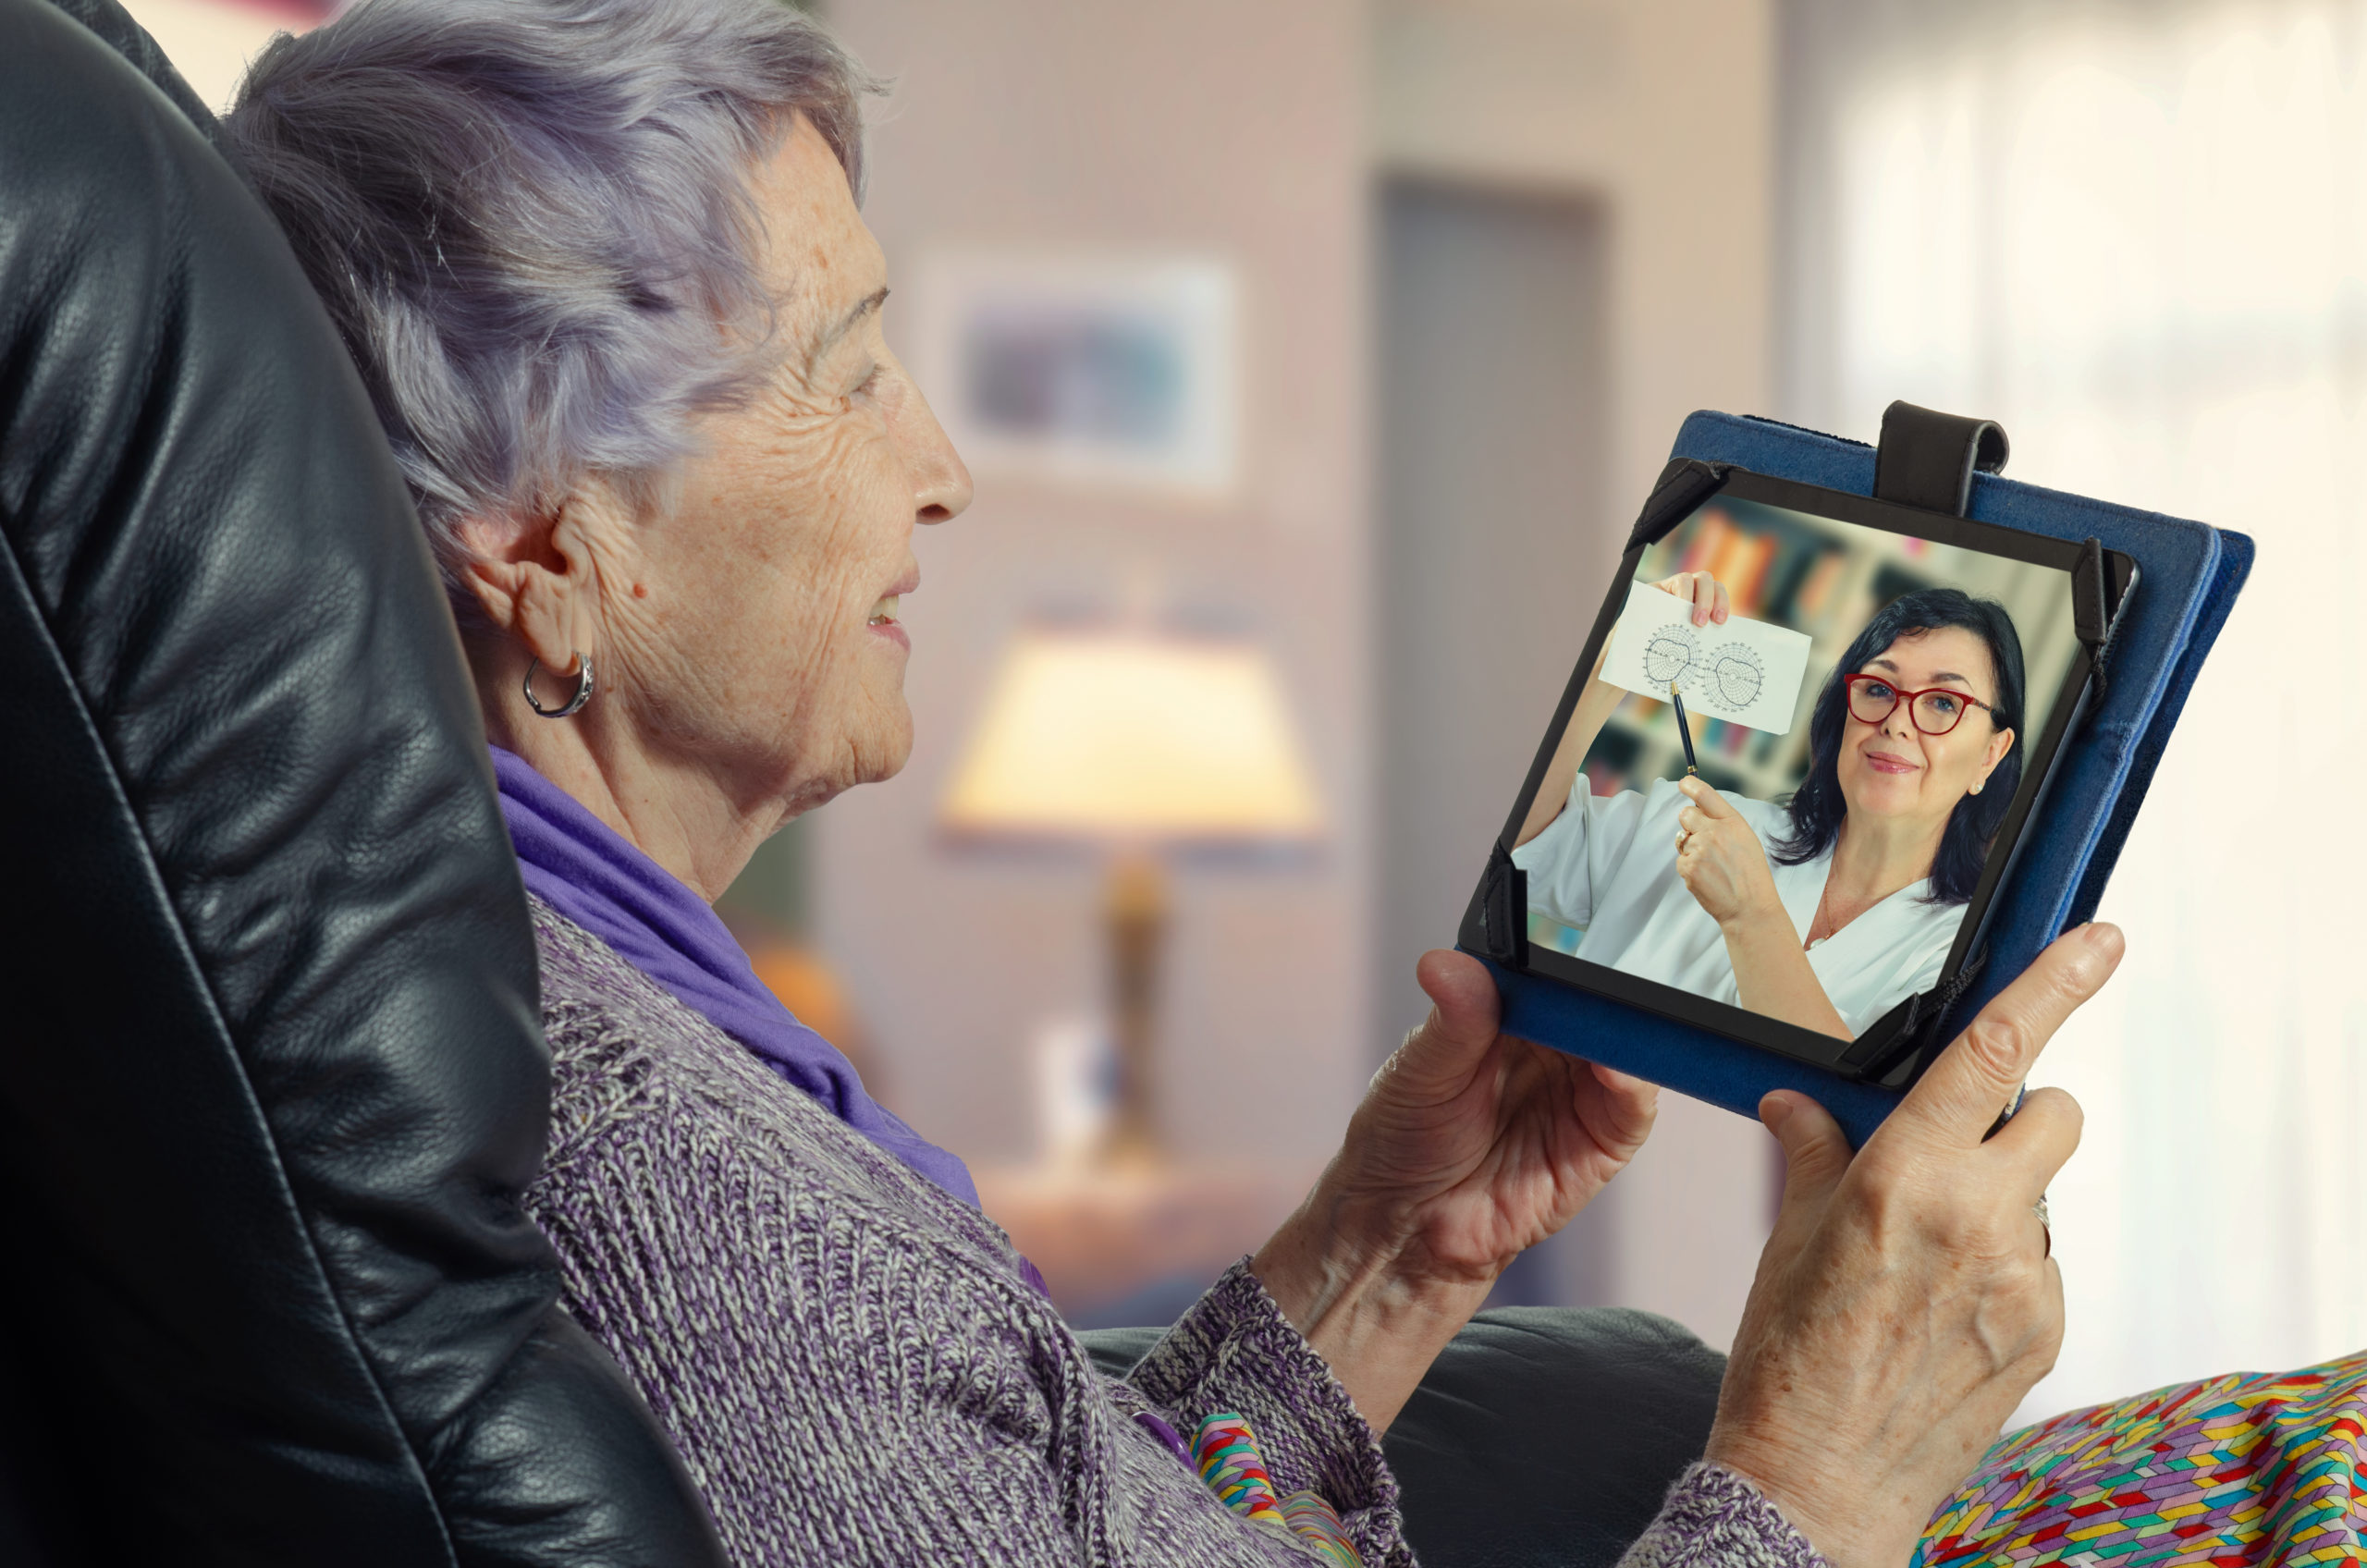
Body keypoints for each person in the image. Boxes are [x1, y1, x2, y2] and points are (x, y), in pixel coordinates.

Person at [223, 4, 2111, 1564]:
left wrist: (1382, 1248)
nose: (940, 468)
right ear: (538, 538)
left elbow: (1030, 1517)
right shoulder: (690, 1215)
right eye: (848, 371)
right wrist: (1819, 1468)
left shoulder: (565, 1005)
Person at [1516, 573, 2025, 1039]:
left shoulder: (1965, 957)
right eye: (1876, 688)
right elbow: (1522, 853)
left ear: (1990, 755)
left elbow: (1864, 1106)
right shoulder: (1699, 825)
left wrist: (1750, 914)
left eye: (1942, 703)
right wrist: (1615, 659)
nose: (1896, 721)